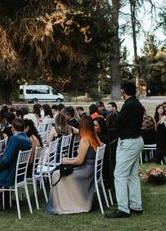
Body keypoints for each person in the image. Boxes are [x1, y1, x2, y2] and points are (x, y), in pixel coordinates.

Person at [105, 81, 144, 219]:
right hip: (137, 140)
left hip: (128, 143)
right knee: (132, 174)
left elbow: (117, 122)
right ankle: (136, 205)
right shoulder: (137, 104)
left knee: (120, 175)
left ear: (124, 92)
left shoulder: (129, 105)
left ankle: (123, 209)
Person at [46, 116, 101, 215]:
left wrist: (66, 161)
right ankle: (67, 201)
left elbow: (79, 161)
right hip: (92, 169)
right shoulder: (94, 136)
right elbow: (84, 158)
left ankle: (65, 204)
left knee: (56, 174)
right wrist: (67, 159)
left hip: (85, 171)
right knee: (59, 172)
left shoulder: (85, 139)